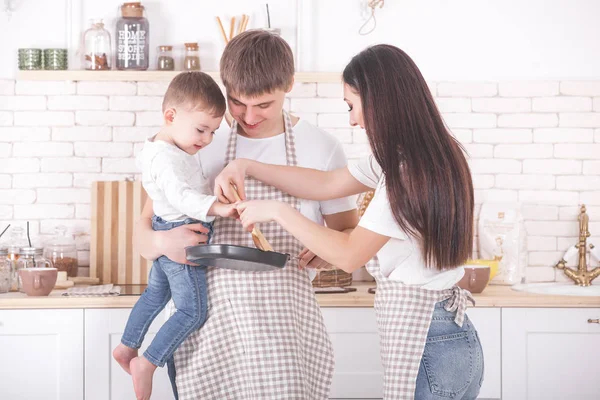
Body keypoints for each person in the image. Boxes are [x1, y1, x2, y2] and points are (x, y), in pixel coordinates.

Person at [217, 44, 484, 399]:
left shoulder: (405, 172)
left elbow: (348, 255)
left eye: (352, 106)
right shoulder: (415, 155)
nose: (353, 120)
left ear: (380, 101)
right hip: (448, 337)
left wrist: (278, 211)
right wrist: (246, 166)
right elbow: (326, 183)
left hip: (432, 342)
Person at [133, 30, 359, 399]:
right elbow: (144, 232)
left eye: (264, 105)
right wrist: (161, 241)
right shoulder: (199, 138)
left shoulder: (321, 147)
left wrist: (326, 252)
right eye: (237, 103)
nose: (248, 117)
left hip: (286, 330)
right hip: (208, 329)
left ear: (289, 84)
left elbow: (348, 237)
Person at [112, 71, 237, 400]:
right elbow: (182, 197)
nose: (207, 139)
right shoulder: (168, 158)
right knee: (192, 312)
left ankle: (127, 346)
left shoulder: (160, 148)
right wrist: (219, 208)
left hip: (165, 230)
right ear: (171, 115)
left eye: (212, 131)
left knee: (155, 294)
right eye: (201, 129)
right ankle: (148, 362)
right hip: (183, 235)